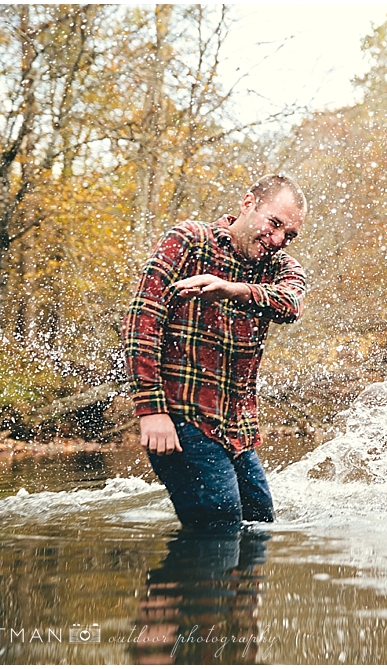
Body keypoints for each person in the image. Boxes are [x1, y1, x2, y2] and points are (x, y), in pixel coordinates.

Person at [122, 174, 307, 529]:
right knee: (219, 527)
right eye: (275, 224)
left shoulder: (279, 267)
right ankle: (192, 583)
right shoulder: (190, 240)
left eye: (290, 235)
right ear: (248, 204)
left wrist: (231, 290)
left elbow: (291, 304)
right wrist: (151, 410)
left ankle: (183, 585)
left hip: (237, 431)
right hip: (181, 421)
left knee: (259, 523)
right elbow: (141, 322)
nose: (279, 239)